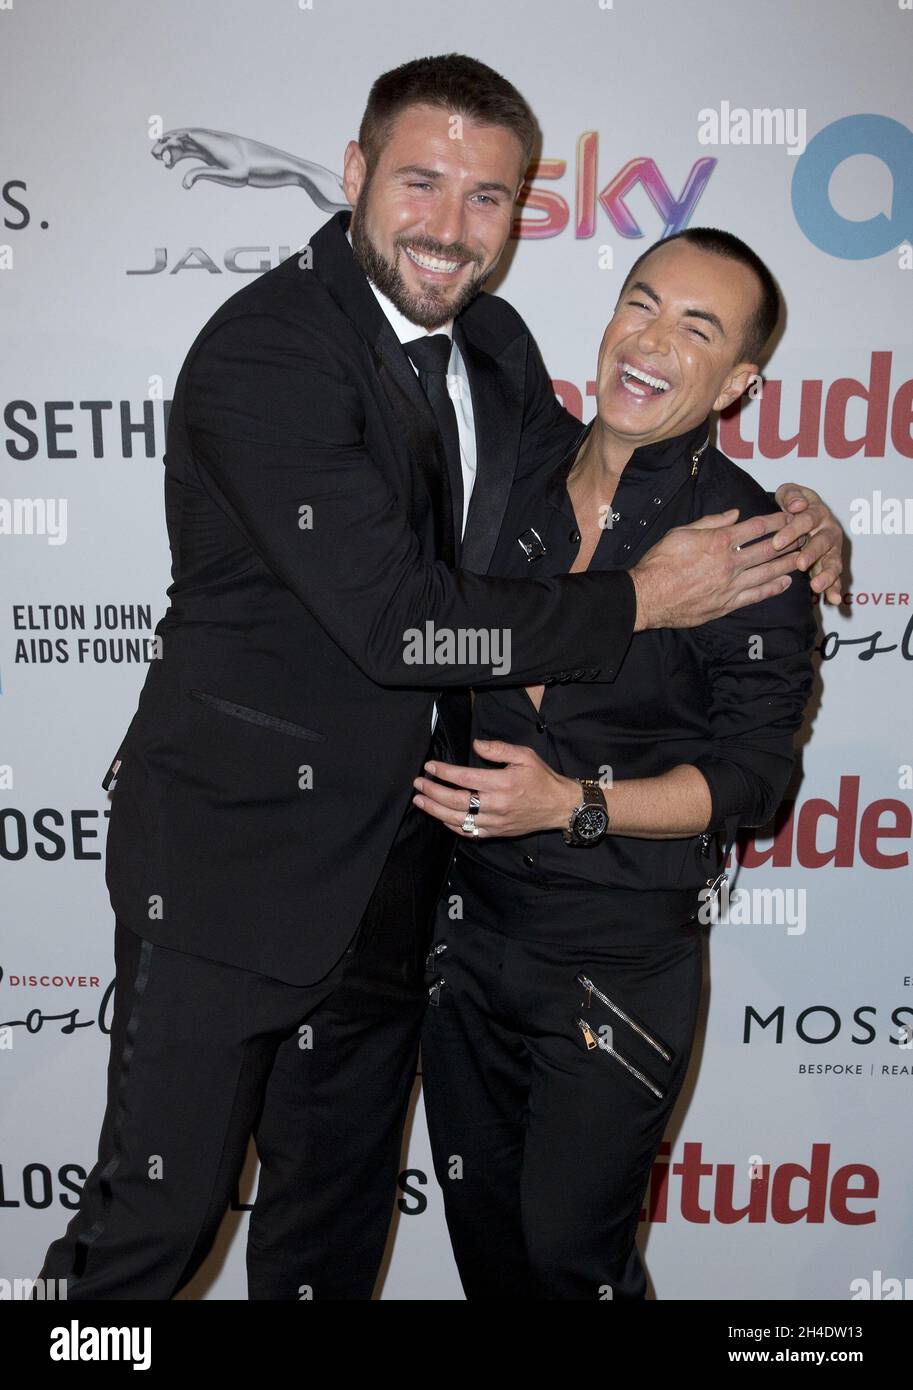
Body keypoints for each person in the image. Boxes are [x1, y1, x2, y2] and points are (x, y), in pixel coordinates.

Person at [37, 55, 842, 1301]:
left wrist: (794, 514)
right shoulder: (269, 354)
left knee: (329, 1232)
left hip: (404, 887)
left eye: (487, 198)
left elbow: (611, 467)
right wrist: (640, 601)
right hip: (231, 870)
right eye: (421, 182)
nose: (450, 226)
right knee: (154, 1228)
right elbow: (401, 629)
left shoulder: (496, 346)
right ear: (355, 176)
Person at [417, 227, 819, 1300]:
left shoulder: (752, 544)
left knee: (570, 1262)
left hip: (615, 958)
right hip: (464, 933)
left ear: (737, 381)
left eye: (697, 328)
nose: (651, 340)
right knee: (490, 1252)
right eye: (640, 303)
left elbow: (754, 780)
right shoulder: (501, 474)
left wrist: (573, 803)